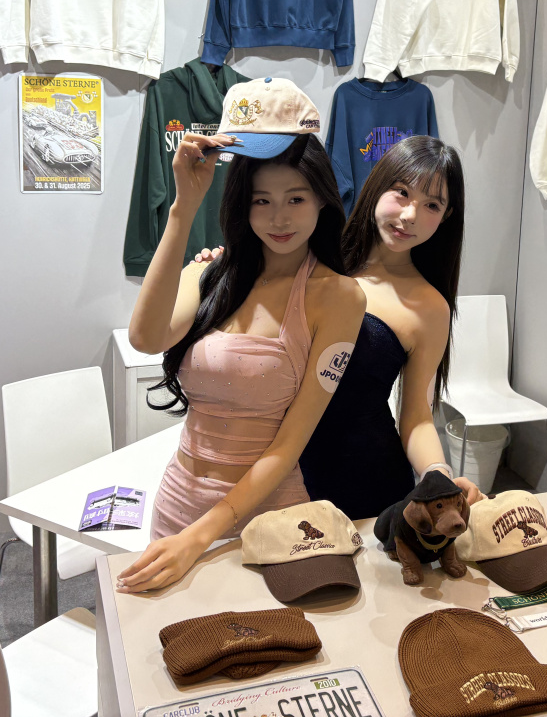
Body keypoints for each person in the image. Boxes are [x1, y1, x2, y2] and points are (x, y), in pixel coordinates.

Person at [120, 78, 365, 593]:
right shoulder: (213, 273)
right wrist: (184, 208)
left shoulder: (339, 297)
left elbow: (288, 445)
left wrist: (199, 538)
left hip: (269, 516)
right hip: (178, 501)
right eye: (261, 200)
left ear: (322, 200)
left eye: (296, 198)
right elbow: (145, 337)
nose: (279, 218)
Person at [195, 135, 481, 518]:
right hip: (269, 469)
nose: (411, 214)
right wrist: (220, 270)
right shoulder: (309, 258)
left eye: (432, 205)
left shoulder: (429, 307)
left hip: (365, 482)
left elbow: (416, 415)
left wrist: (437, 474)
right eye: (401, 192)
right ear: (376, 186)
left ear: (446, 217)